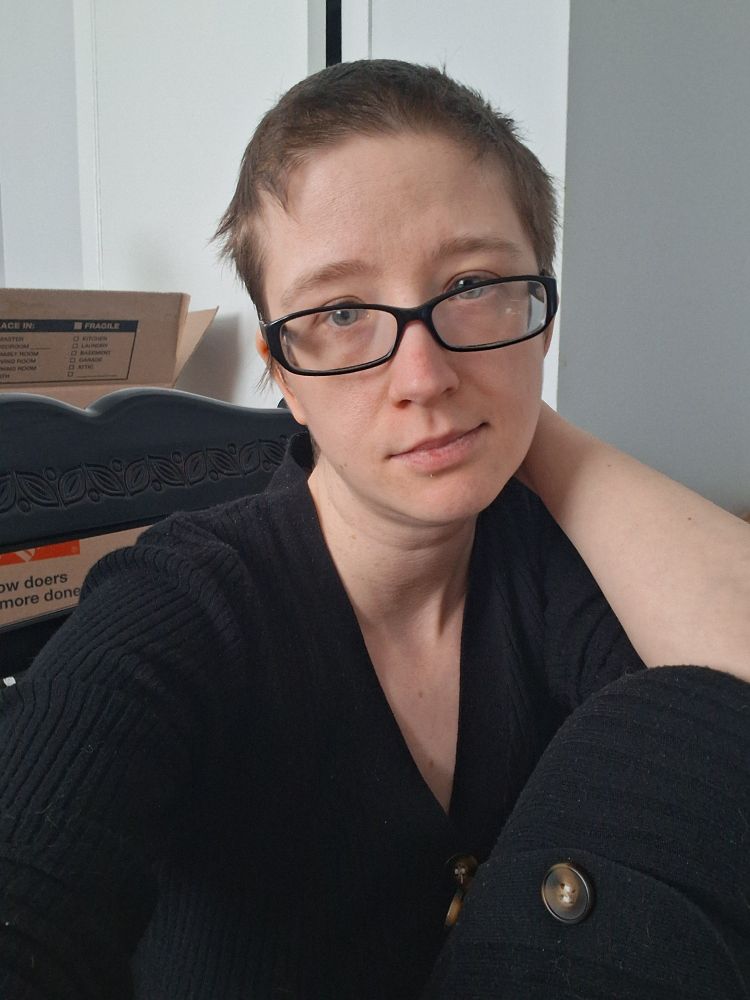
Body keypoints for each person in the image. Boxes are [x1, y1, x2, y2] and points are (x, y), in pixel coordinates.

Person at [0, 59, 748, 1000]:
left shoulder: (553, 570)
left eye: (474, 283)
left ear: (543, 316)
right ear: (280, 369)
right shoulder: (184, 607)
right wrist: (487, 392)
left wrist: (519, 417)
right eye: (343, 312)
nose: (424, 374)